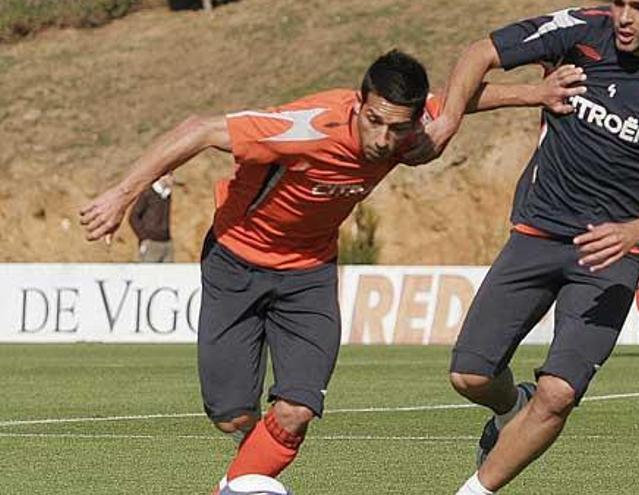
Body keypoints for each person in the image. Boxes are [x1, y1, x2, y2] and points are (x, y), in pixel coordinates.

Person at [78, 49, 584, 492]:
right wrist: (120, 196)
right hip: (234, 261)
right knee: (234, 416)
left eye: (398, 128)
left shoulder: (404, 129)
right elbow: (198, 128)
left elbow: (462, 98)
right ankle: (246, 477)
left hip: (311, 275)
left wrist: (536, 93)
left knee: (295, 410)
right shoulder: (306, 126)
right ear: (359, 104)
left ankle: (238, 489)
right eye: (374, 122)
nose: (385, 139)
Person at [406, 1, 639, 493]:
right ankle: (510, 409)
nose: (625, 18)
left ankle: (475, 489)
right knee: (469, 376)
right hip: (537, 233)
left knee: (558, 394)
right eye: (619, 3)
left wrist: (636, 232)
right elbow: (478, 54)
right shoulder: (579, 28)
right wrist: (451, 123)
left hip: (609, 255)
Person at [128, 173, 176, 262]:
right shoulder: (147, 193)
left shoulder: (167, 194)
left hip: (166, 242)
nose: (173, 179)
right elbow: (133, 217)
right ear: (162, 177)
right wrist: (144, 237)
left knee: (168, 275)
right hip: (151, 243)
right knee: (147, 274)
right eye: (170, 175)